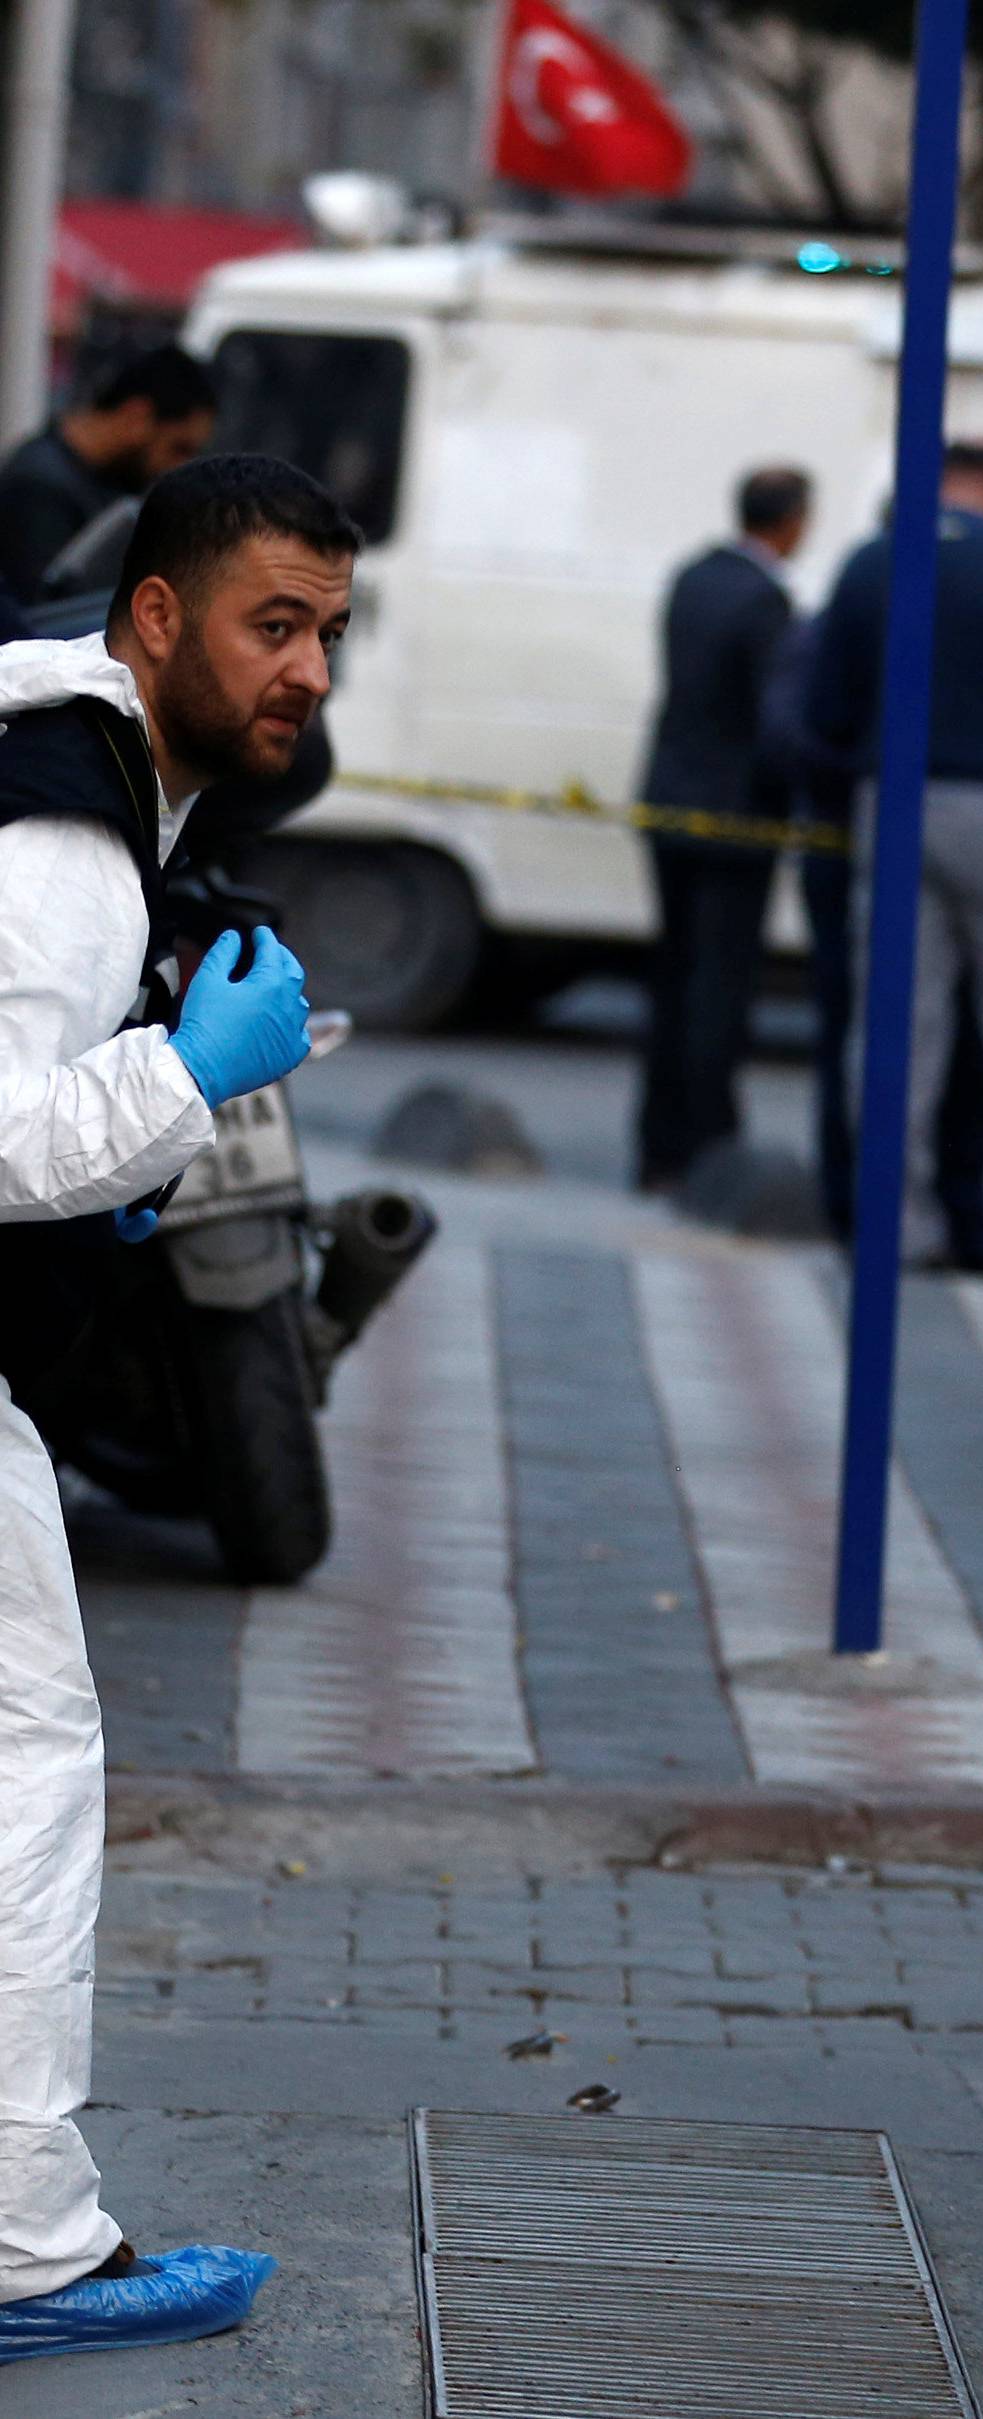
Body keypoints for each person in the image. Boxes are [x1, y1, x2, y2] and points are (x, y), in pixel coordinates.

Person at [0, 452, 345, 2341]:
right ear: (153, 619)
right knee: (25, 1771)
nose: (304, 671)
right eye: (269, 624)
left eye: (326, 634)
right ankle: (28, 2247)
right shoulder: (61, 825)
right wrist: (190, 1075)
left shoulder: (80, 773)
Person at [806, 438, 983, 1272]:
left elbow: (828, 710)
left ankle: (897, 1230)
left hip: (894, 806)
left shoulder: (871, 564)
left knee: (898, 1032)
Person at [635, 465, 813, 1192]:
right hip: (735, 818)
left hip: (670, 802)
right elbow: (772, 720)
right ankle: (708, 1149)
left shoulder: (694, 578)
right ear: (792, 521)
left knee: (674, 978)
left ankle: (656, 1146)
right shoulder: (766, 601)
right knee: (720, 988)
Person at [0, 347, 218, 603]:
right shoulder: (37, 486)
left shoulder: (108, 478)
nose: (180, 465)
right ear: (137, 416)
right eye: (178, 448)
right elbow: (44, 610)